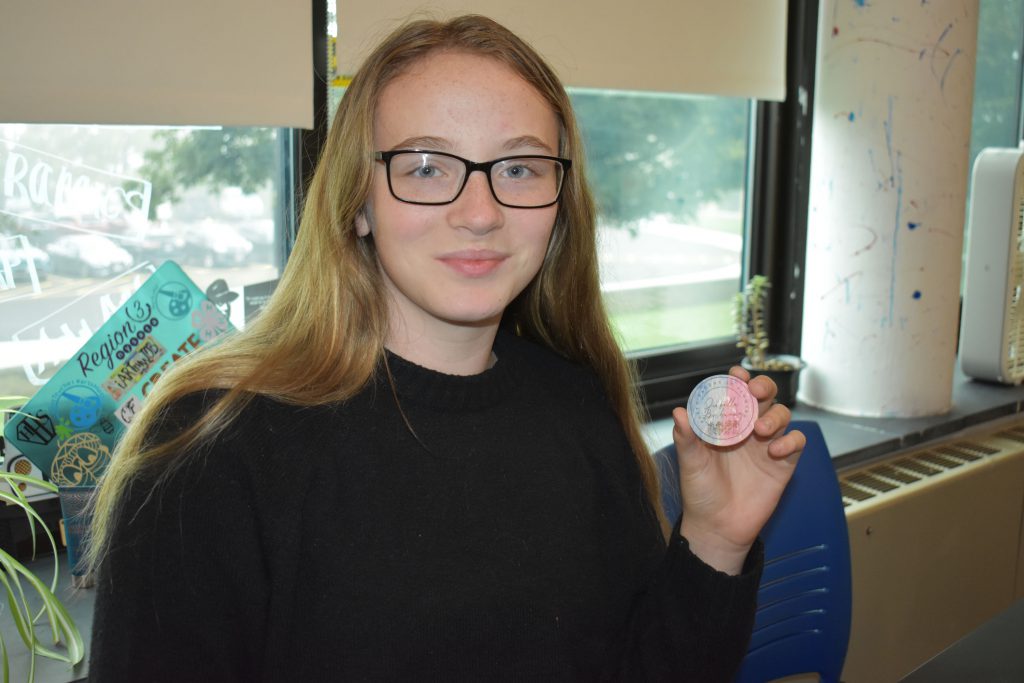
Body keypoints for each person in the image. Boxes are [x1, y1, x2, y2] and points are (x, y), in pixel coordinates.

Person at [86, 14, 805, 682]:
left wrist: (713, 539)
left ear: (559, 204)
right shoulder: (210, 447)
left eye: (519, 168)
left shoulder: (576, 401)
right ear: (358, 200)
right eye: (427, 166)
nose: (481, 212)